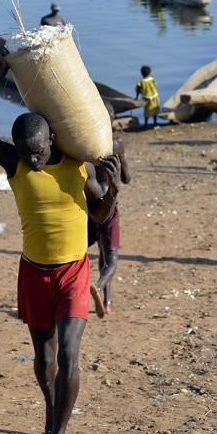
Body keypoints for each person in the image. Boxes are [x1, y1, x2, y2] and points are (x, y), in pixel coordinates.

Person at [0, 51, 121, 434]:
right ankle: (51, 408)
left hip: (73, 272)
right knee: (44, 356)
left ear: (50, 141)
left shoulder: (74, 167)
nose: (33, 161)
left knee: (70, 353)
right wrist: (0, 69)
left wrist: (113, 190)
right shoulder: (14, 164)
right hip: (33, 273)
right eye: (26, 153)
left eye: (37, 152)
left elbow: (101, 214)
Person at [88, 101, 131, 317]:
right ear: (113, 120)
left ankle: (107, 301)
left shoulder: (87, 144)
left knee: (100, 254)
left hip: (91, 205)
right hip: (110, 204)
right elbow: (126, 177)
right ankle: (100, 288)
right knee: (111, 258)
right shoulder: (117, 143)